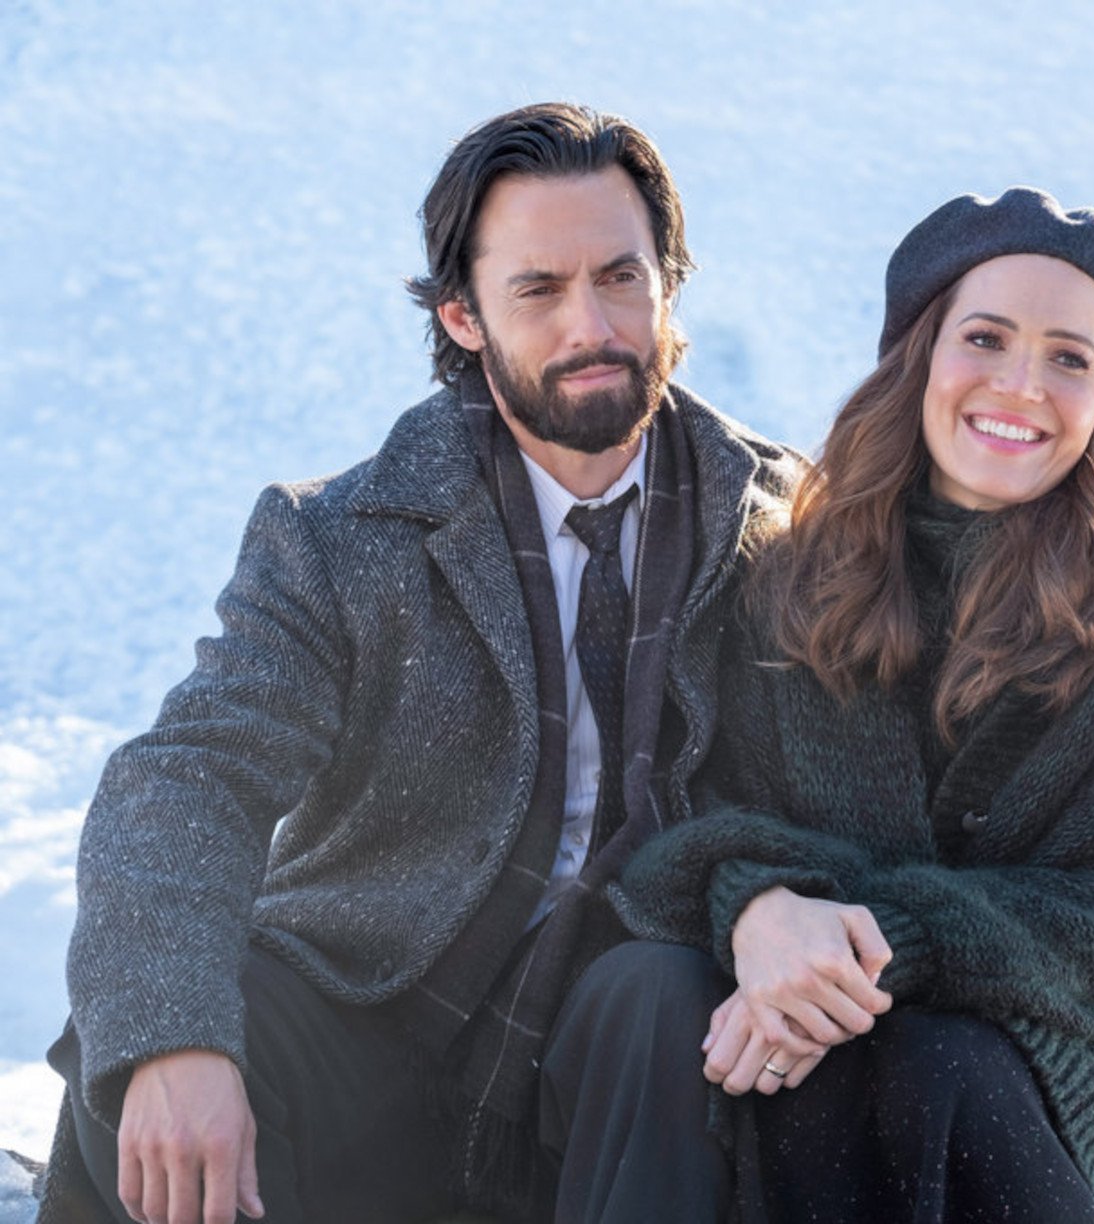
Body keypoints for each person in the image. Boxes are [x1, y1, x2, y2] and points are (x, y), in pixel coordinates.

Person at [38, 103, 798, 1224]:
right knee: (166, 1045)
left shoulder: (792, 532)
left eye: (621, 277)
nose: (592, 324)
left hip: (625, 1083)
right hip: (377, 1013)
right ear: (465, 316)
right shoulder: (345, 536)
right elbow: (189, 776)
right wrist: (173, 1041)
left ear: (668, 287)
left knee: (662, 991)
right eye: (538, 289)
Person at [608, 187, 1094, 1221]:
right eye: (986, 338)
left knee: (925, 1062)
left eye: (1070, 358)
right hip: (859, 1044)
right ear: (917, 354)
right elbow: (707, 818)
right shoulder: (788, 579)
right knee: (788, 1056)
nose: (1021, 384)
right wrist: (762, 908)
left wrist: (875, 945)